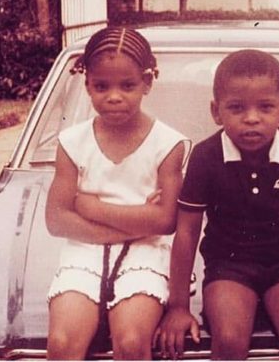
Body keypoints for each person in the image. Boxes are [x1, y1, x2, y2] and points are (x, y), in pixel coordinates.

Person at [155, 49, 279, 360]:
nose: (251, 118)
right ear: (216, 111)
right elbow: (186, 233)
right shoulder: (205, 157)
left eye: (265, 107)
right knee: (229, 338)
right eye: (236, 108)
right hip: (228, 267)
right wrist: (178, 307)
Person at [45, 27, 189, 359]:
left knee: (132, 340)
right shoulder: (72, 142)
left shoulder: (168, 144)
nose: (113, 96)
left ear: (147, 83)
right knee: (62, 342)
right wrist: (140, 219)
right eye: (101, 86)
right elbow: (56, 220)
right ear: (87, 86)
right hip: (83, 254)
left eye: (128, 85)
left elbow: (166, 221)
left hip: (146, 254)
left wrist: (89, 206)